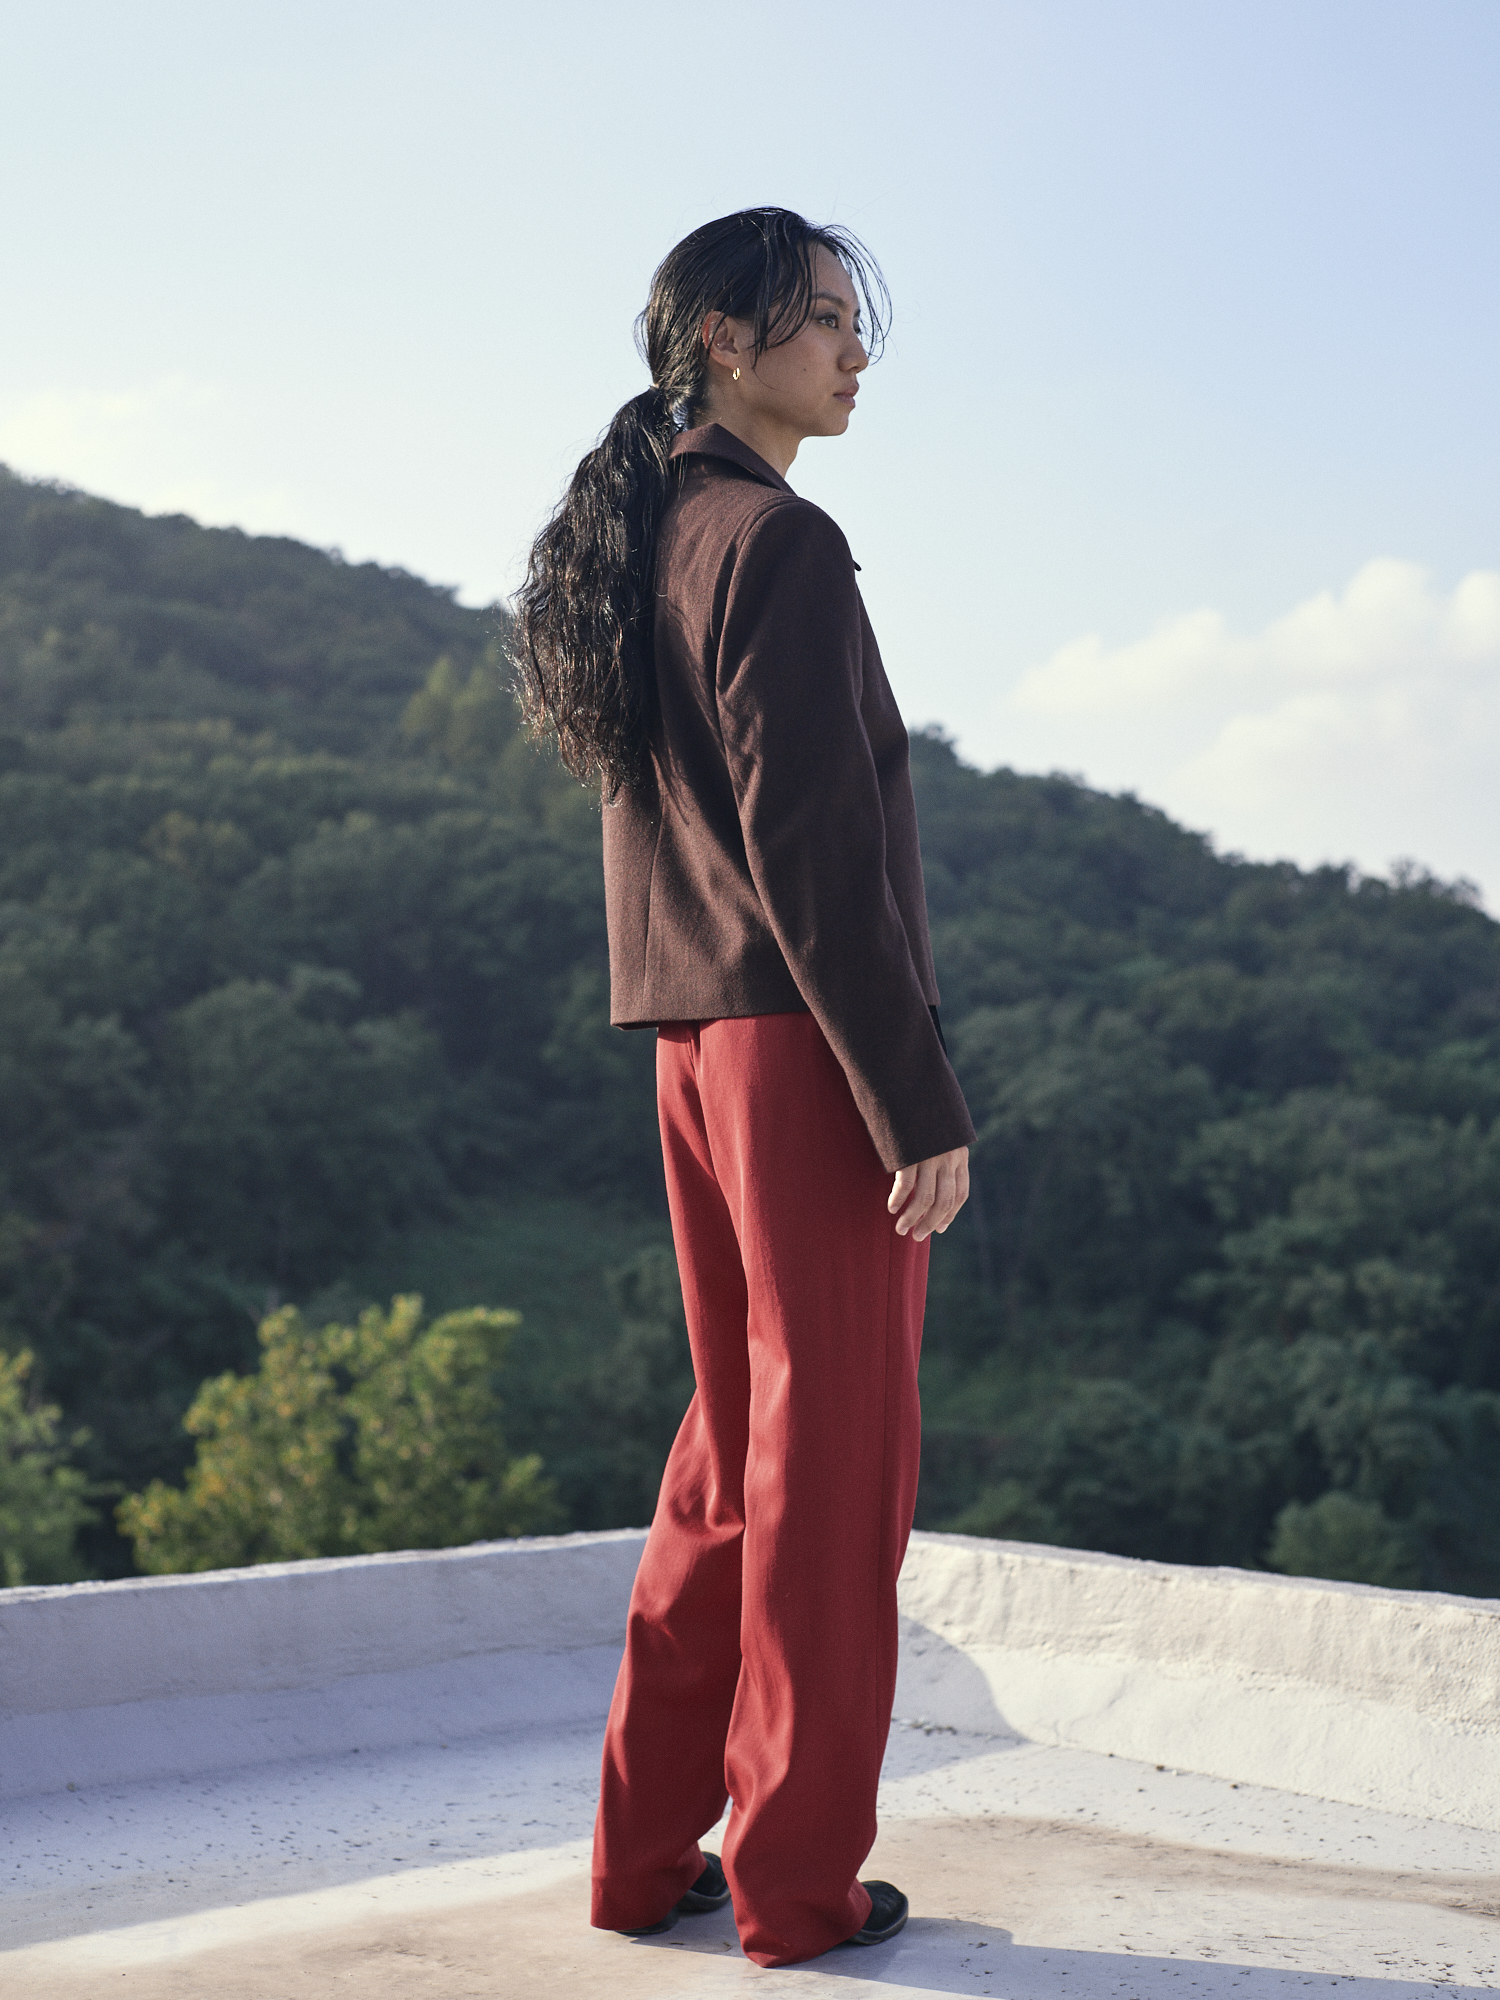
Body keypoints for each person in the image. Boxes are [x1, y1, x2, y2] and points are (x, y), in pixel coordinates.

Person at [515, 207, 974, 1970]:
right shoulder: (779, 541)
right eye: (827, 319)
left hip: (693, 1052)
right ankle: (797, 1886)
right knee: (833, 1470)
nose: (857, 353)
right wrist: (912, 1095)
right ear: (724, 335)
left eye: (859, 324)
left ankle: (644, 1859)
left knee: (730, 1449)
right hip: (802, 1050)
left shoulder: (643, 536)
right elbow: (815, 850)